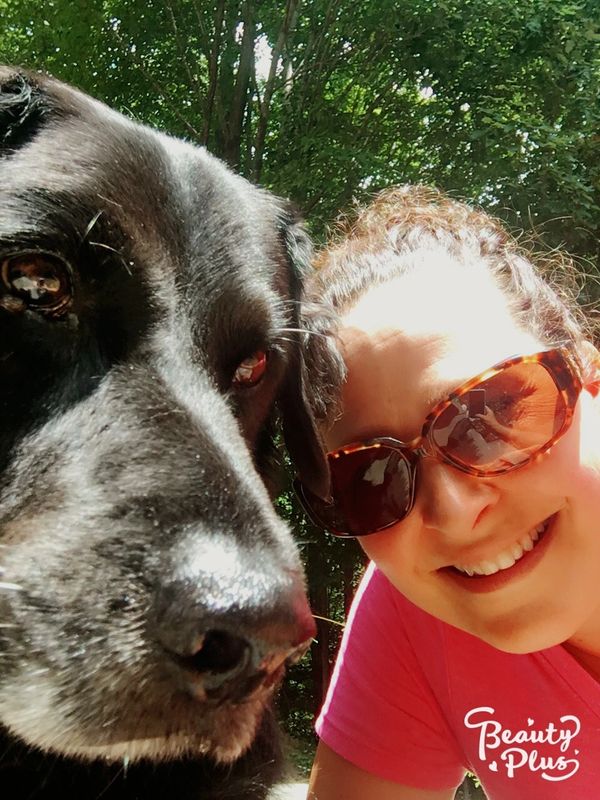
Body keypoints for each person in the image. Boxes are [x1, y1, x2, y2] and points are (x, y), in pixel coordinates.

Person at [297, 186, 600, 799]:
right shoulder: (419, 606)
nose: (452, 515)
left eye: (487, 414)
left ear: (587, 373)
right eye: (370, 479)